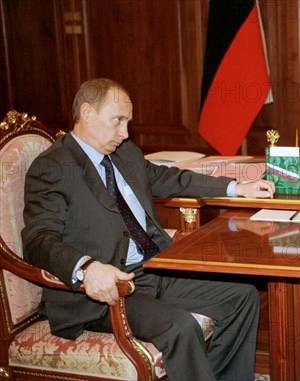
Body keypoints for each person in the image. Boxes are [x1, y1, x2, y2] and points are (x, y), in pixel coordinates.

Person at [21, 78, 275, 381]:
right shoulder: (54, 167)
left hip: (151, 269)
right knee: (180, 327)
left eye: (128, 122)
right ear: (87, 112)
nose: (125, 133)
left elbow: (173, 180)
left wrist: (237, 187)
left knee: (242, 296)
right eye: (118, 121)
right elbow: (38, 240)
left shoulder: (125, 153)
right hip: (106, 290)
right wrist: (86, 267)